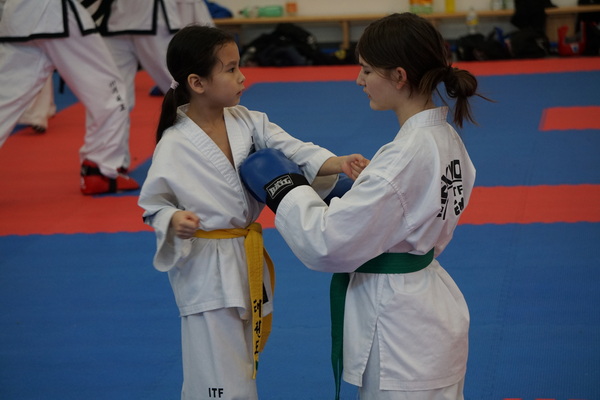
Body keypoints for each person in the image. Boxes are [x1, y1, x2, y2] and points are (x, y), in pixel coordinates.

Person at [241, 12, 489, 400]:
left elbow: (327, 243)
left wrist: (284, 188)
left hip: (401, 333)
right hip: (431, 312)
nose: (360, 80)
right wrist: (355, 195)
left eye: (367, 70)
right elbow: (409, 210)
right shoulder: (444, 138)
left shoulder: (403, 157)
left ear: (399, 76)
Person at [137, 25, 367, 400]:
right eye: (230, 69)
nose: (242, 76)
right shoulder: (175, 143)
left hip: (244, 257)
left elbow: (294, 151)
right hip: (205, 266)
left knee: (241, 362)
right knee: (217, 368)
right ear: (197, 82)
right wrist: (174, 219)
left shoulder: (247, 120)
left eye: (239, 66)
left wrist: (336, 162)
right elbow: (154, 205)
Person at [0, 0, 139, 195]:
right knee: (108, 89)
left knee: (5, 99)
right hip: (55, 13)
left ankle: (99, 168)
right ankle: (100, 169)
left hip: (17, 13)